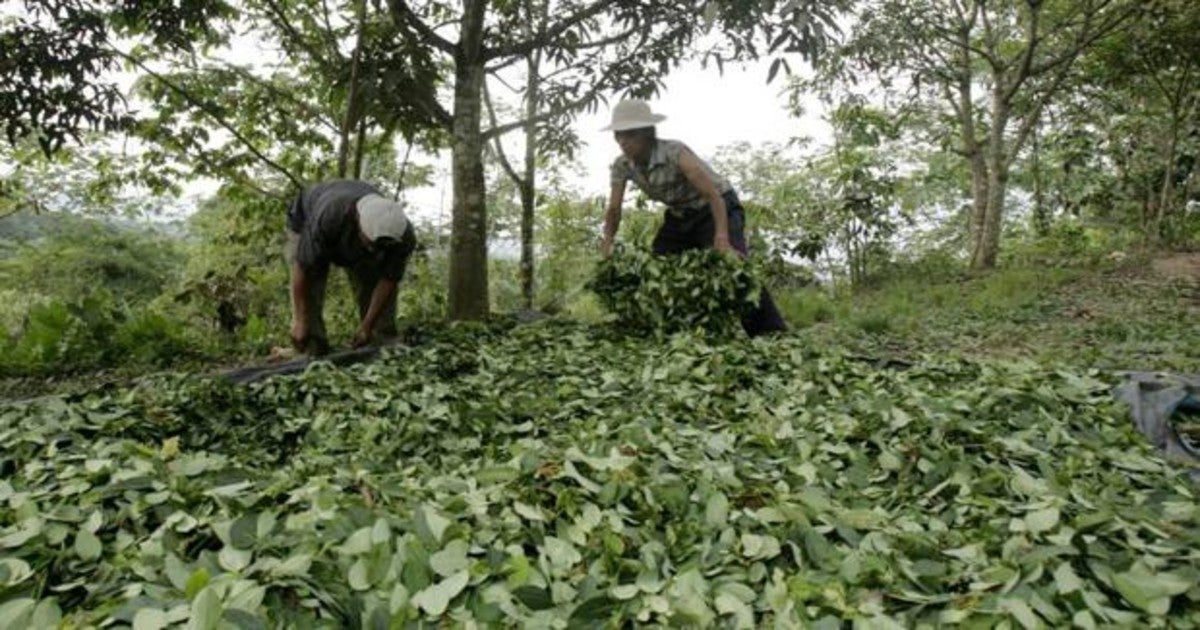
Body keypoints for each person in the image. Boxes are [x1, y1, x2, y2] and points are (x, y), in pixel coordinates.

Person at [599, 99, 787, 337]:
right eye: (618, 136)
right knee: (657, 266)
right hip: (681, 214)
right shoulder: (622, 166)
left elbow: (713, 195)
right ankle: (682, 328)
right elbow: (614, 209)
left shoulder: (675, 153)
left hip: (716, 207)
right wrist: (607, 240)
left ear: (647, 133)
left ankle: (772, 333)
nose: (623, 142)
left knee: (732, 266)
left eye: (630, 135)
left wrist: (721, 237)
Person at [285, 180, 417, 355]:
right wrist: (300, 320)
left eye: (382, 247)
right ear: (358, 221)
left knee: (372, 274)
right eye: (371, 244)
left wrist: (367, 326)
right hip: (308, 219)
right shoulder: (330, 216)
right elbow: (303, 268)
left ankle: (379, 337)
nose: (374, 250)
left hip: (345, 226)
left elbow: (388, 280)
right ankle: (312, 344)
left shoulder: (404, 236)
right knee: (313, 281)